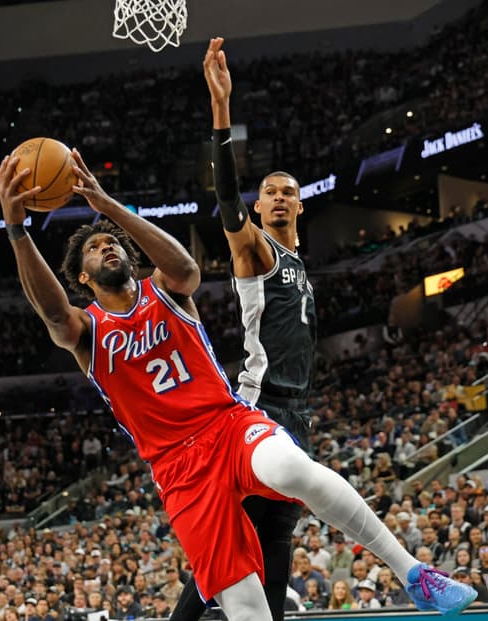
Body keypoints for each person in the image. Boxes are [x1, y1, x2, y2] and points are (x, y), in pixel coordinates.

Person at [0, 146, 475, 621]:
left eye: (115, 243)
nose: (110, 247)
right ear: (83, 275)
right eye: (98, 249)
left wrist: (108, 206)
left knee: (292, 470)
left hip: (226, 424)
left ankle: (414, 574)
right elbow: (55, 314)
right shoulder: (87, 330)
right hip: (178, 470)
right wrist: (17, 230)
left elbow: (187, 268)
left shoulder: (165, 290)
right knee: (247, 608)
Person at [171, 35, 317, 621]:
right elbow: (227, 199)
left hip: (299, 412)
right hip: (261, 409)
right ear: (260, 209)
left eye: (289, 193)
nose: (279, 199)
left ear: (301, 208)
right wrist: (222, 110)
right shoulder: (254, 252)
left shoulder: (302, 263)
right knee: (235, 546)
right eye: (271, 193)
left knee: (276, 536)